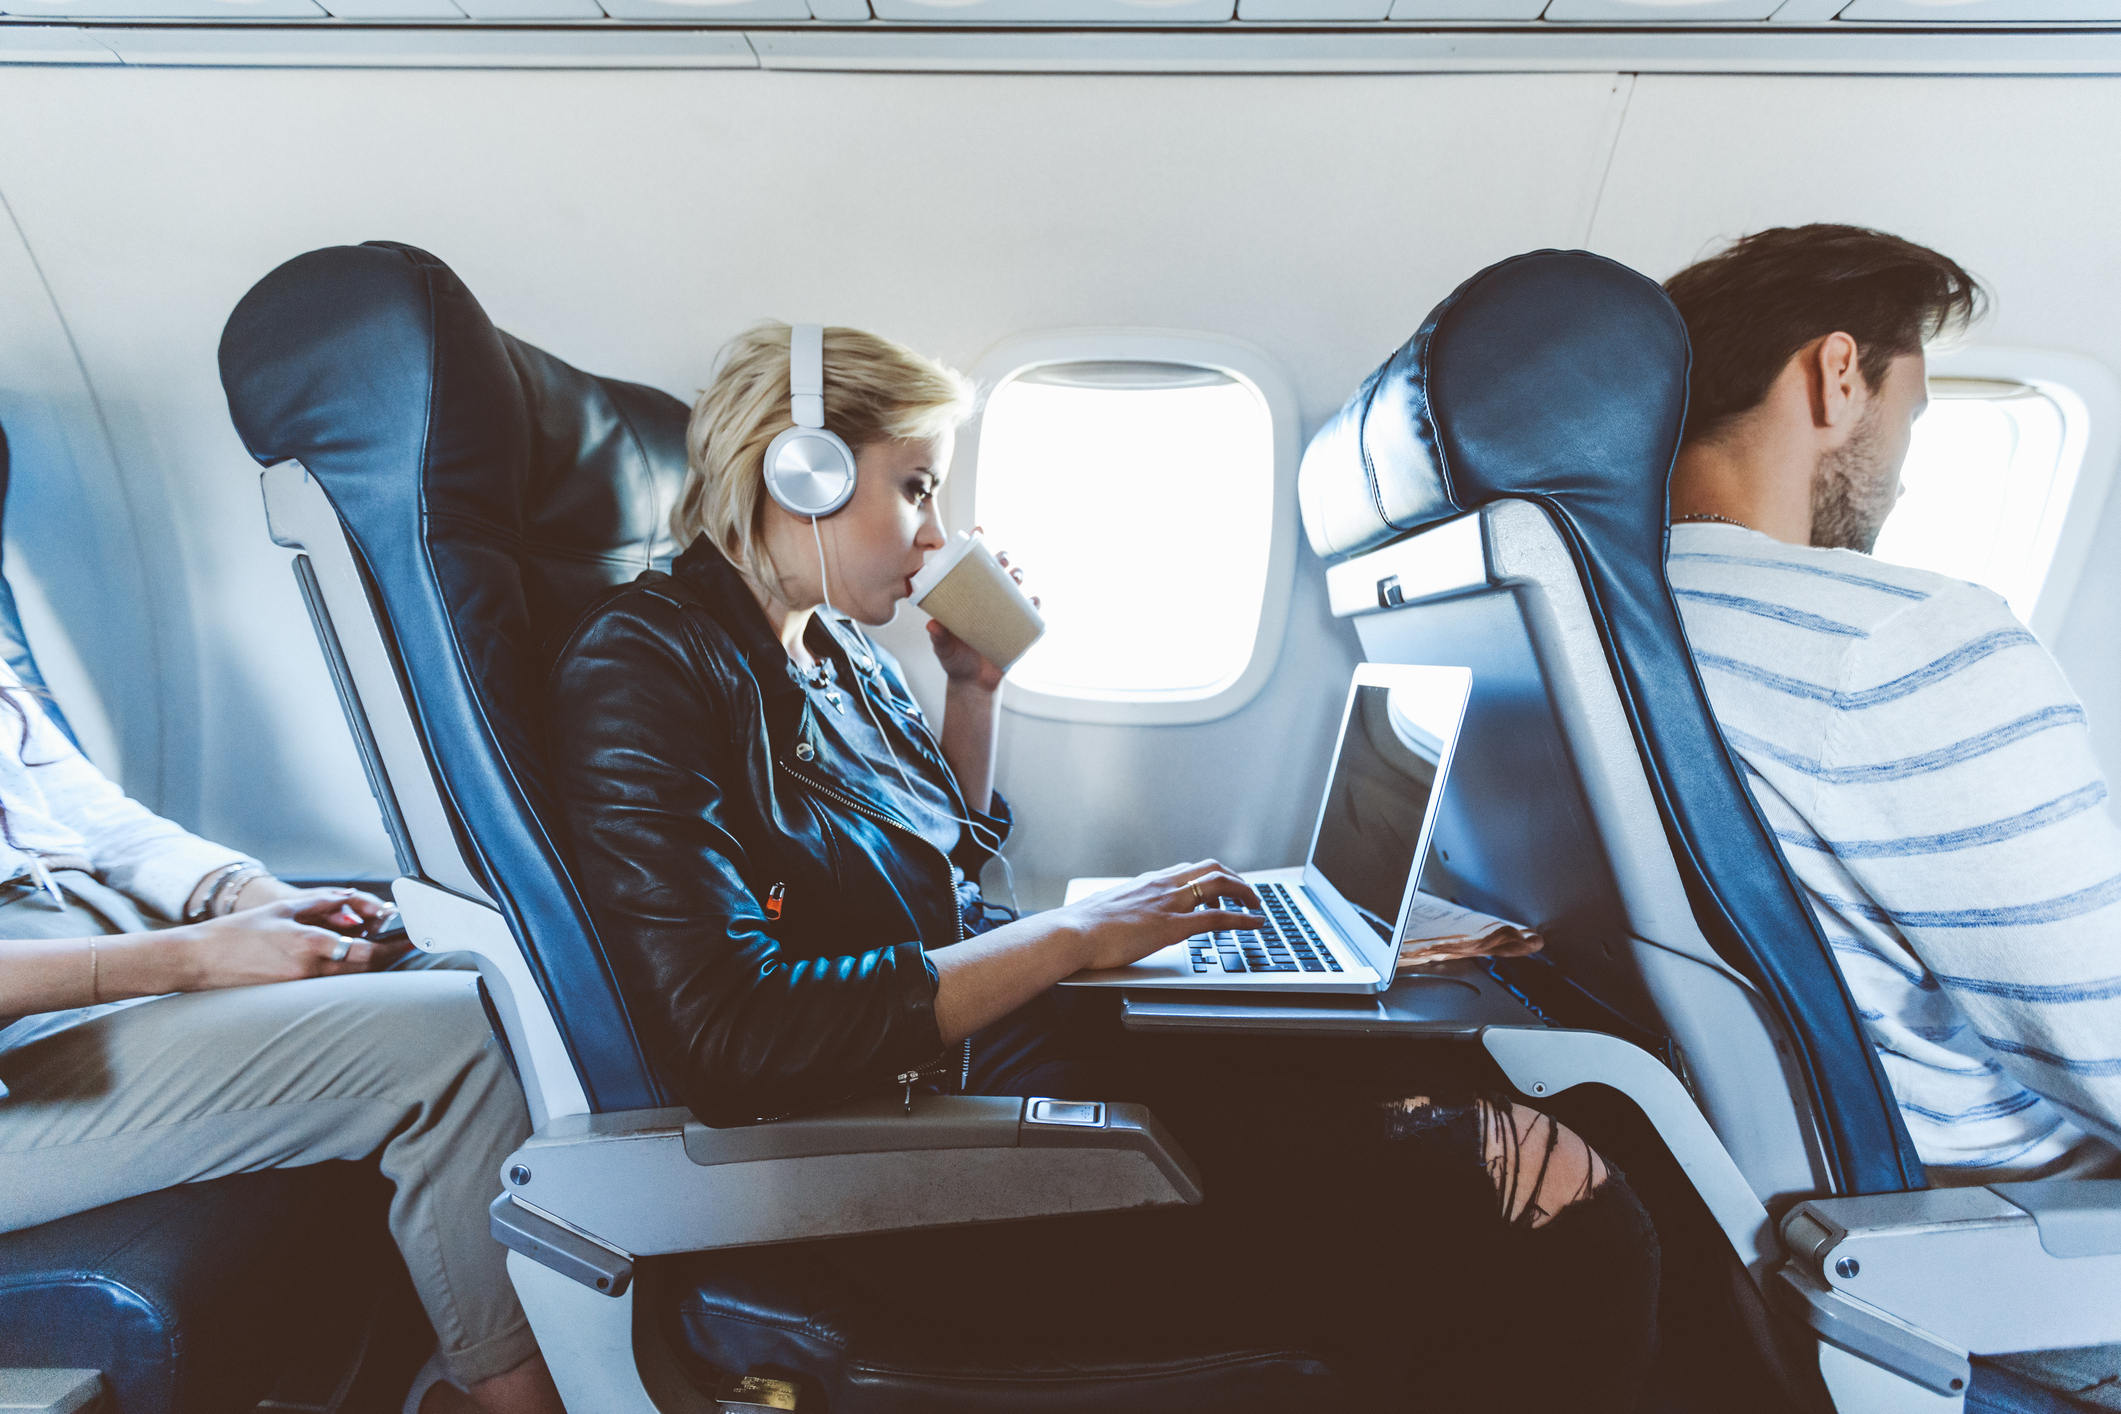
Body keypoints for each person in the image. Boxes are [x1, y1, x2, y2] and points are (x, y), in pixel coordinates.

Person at [544, 321, 1663, 1410]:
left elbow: (948, 871)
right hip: (905, 1178)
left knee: (1434, 1098)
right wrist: (1076, 936)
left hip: (987, 1086)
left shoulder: (829, 650)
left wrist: (975, 695)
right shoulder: (643, 664)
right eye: (919, 487)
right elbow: (737, 1033)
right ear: (805, 471)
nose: (937, 538)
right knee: (1555, 1189)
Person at [1663, 224, 2121, 1406]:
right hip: (2014, 1248)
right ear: (1837, 374)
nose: (1906, 471)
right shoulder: (1905, 640)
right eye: (1911, 418)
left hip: (1769, 1215)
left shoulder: (1623, 624)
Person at [0, 661, 563, 1414]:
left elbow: (101, 824)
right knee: (453, 1037)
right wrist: (194, 958)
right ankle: (510, 1395)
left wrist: (267, 903)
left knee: (499, 968)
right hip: (28, 1034)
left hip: (102, 951)